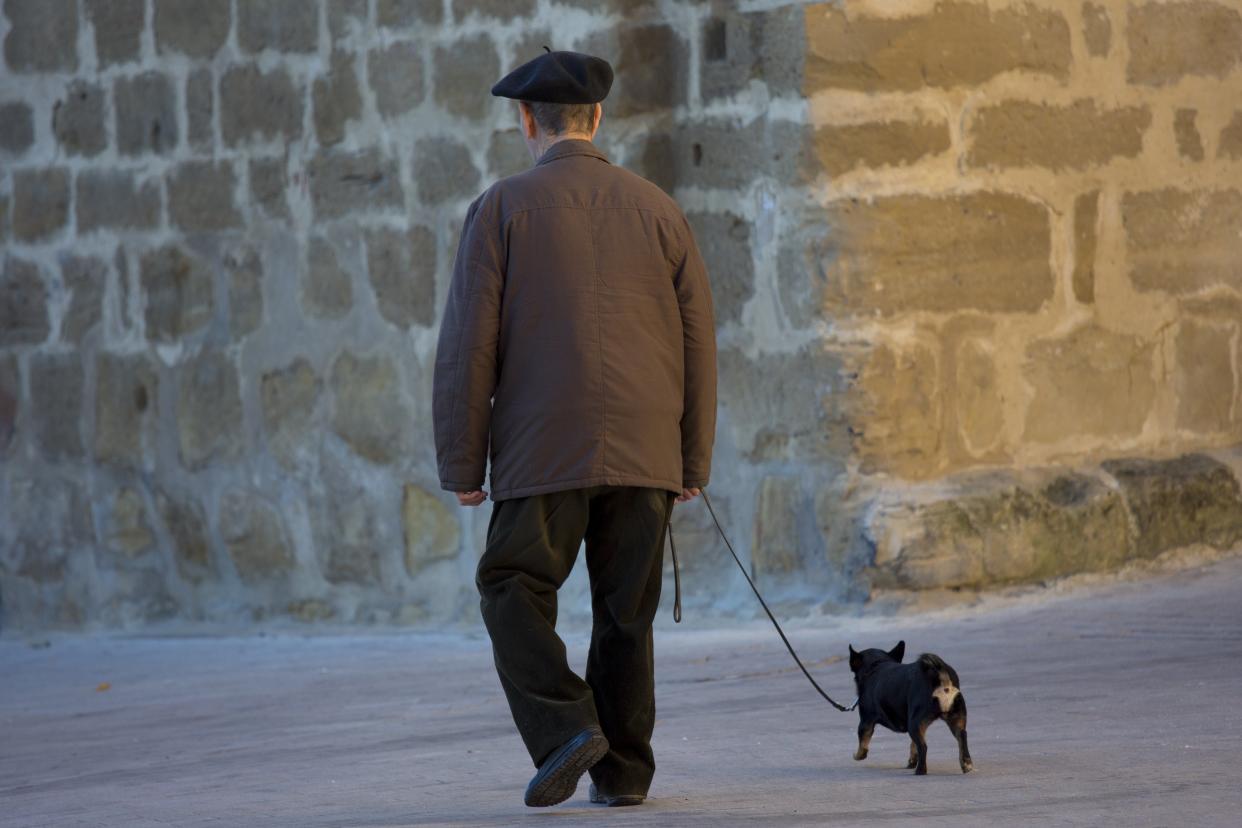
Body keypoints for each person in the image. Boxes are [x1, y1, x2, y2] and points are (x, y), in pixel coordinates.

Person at [432, 48, 717, 809]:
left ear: (526, 119)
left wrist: (463, 462)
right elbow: (698, 344)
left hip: (543, 450)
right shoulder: (659, 209)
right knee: (626, 613)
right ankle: (623, 775)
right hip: (645, 449)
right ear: (598, 118)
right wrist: (692, 459)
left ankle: (564, 729)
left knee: (510, 584)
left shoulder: (501, 209)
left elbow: (469, 347)